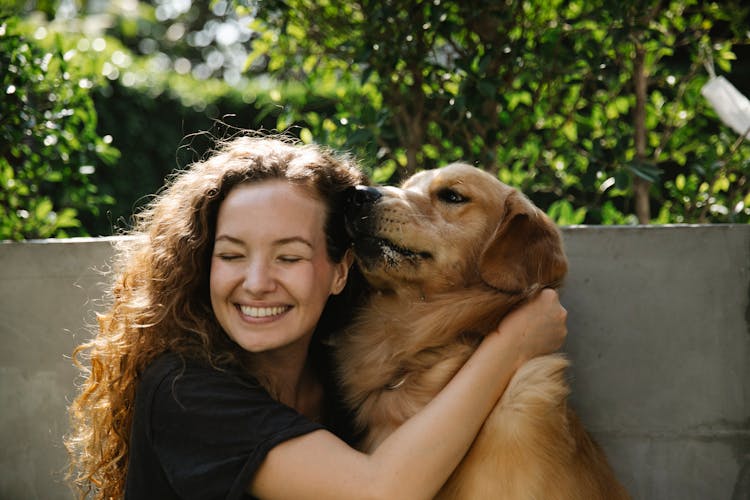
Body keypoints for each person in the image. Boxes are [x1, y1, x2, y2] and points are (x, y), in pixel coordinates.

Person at [65, 134, 568, 500]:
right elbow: (378, 492)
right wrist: (512, 343)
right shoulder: (184, 392)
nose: (257, 282)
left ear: (341, 272)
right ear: (203, 263)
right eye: (232, 255)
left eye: (289, 257)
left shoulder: (346, 377)